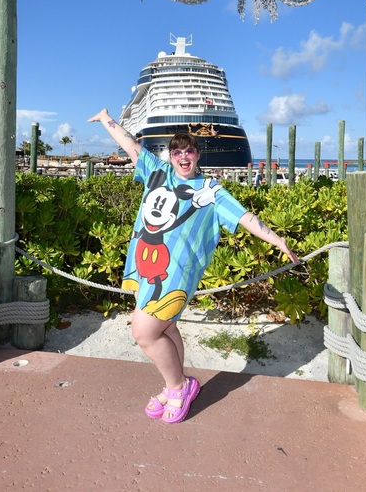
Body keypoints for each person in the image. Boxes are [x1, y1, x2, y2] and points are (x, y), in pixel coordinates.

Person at [88, 108, 299, 423]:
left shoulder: (210, 191)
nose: (183, 156)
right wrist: (106, 119)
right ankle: (175, 383)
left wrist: (278, 240)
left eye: (188, 151)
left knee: (144, 333)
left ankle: (178, 387)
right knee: (167, 328)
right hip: (145, 268)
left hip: (175, 275)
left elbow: (245, 217)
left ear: (198, 155)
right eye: (177, 152)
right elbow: (130, 144)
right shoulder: (157, 172)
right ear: (171, 156)